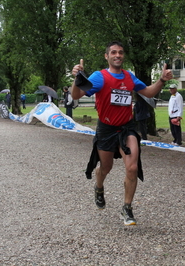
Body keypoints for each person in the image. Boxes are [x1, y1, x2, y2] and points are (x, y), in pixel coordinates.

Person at [71, 41, 173, 225]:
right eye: (113, 52)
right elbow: (76, 96)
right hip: (106, 129)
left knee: (132, 167)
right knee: (106, 167)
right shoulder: (99, 77)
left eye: (120, 52)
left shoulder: (129, 77)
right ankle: (99, 187)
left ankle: (127, 208)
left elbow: (149, 92)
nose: (117, 55)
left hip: (127, 128)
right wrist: (76, 79)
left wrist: (162, 80)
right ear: (107, 56)